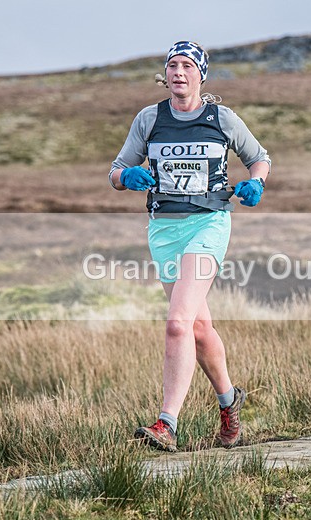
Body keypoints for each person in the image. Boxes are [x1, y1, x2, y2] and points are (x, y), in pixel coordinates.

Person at [109, 41, 271, 452]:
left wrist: (256, 183)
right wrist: (126, 178)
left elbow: (259, 158)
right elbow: (115, 169)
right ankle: (230, 403)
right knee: (198, 329)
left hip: (208, 223)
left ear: (201, 75)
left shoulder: (223, 119)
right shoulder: (149, 119)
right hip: (164, 230)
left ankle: (167, 423)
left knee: (177, 322)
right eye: (172, 66)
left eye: (187, 66)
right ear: (165, 75)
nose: (178, 73)